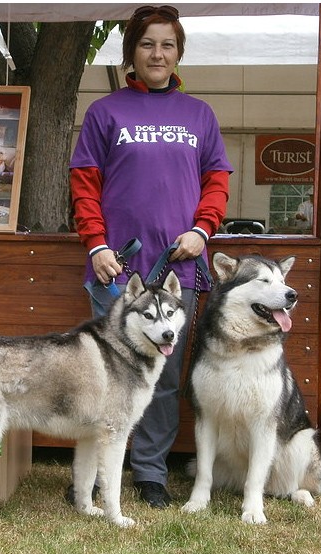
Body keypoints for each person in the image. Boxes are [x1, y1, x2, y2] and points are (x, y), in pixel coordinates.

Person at [69, 5, 233, 509]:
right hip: (116, 270)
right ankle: (98, 478)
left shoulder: (199, 115)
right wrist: (96, 245)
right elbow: (84, 184)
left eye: (166, 44)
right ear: (131, 54)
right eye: (147, 44)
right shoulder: (105, 112)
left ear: (178, 51)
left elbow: (217, 181)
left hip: (177, 272)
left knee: (158, 381)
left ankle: (151, 473)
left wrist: (202, 232)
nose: (157, 53)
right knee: (106, 381)